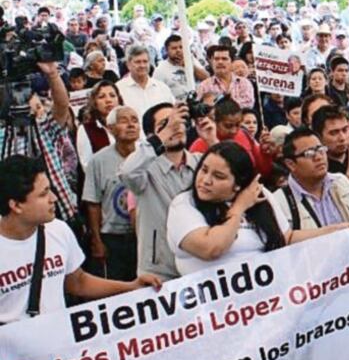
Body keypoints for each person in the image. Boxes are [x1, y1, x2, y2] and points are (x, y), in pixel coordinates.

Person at [0, 156, 161, 324]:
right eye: (43, 194)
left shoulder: (58, 231)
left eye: (50, 189)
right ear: (16, 205)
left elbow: (77, 281)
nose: (53, 198)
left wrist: (131, 287)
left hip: (57, 343)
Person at [166, 141, 332, 276]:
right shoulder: (183, 204)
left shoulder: (259, 194)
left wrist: (335, 232)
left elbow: (286, 238)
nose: (205, 180)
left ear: (238, 184)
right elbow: (211, 248)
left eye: (218, 176)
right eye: (204, 170)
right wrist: (239, 207)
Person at [120, 102, 200, 280]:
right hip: (159, 272)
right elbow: (127, 172)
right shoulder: (145, 169)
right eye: (165, 124)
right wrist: (161, 138)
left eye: (178, 122)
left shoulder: (201, 163)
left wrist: (211, 138)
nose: (175, 128)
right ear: (151, 135)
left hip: (199, 264)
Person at [0, 61, 79, 225]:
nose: (35, 111)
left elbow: (62, 105)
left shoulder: (45, 129)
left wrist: (52, 74)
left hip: (62, 214)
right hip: (16, 222)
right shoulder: (3, 138)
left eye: (38, 106)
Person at [82, 105, 142, 282]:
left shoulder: (148, 155)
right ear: (110, 129)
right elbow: (93, 203)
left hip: (143, 234)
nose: (131, 125)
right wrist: (97, 240)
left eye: (134, 120)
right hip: (113, 238)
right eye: (124, 121)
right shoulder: (98, 161)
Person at [273, 126, 349, 231]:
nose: (318, 157)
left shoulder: (341, 181)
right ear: (290, 164)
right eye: (309, 153)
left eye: (321, 150)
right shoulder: (279, 202)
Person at [189, 96, 275, 176]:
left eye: (238, 125)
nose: (234, 131)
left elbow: (263, 171)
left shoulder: (244, 134)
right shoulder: (199, 147)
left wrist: (265, 153)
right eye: (228, 126)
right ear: (215, 122)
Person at [115, 44, 174, 117]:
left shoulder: (162, 88)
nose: (142, 65)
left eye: (145, 61)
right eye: (137, 62)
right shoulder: (119, 89)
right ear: (128, 65)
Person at [76, 80, 123, 169]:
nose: (108, 100)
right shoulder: (86, 129)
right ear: (95, 102)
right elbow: (87, 165)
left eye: (112, 96)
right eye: (101, 97)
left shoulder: (128, 124)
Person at [197, 45, 255, 109]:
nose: (220, 62)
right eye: (216, 59)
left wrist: (218, 104)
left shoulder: (244, 83)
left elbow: (248, 105)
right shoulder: (204, 86)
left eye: (224, 59)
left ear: (232, 62)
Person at [154, 34, 208, 99]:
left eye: (181, 47)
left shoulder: (190, 59)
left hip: (197, 101)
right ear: (166, 50)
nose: (178, 50)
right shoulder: (160, 69)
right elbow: (157, 93)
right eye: (174, 48)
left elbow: (207, 78)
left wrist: (189, 65)